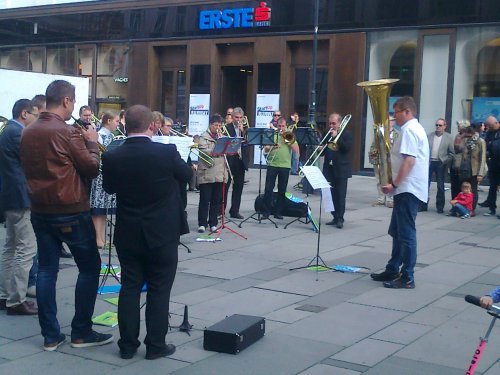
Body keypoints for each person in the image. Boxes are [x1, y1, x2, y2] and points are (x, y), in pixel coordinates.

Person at [20, 80, 113, 351]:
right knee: (90, 266)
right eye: (72, 102)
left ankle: (50, 336)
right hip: (70, 209)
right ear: (66, 102)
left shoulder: (28, 131)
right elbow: (91, 168)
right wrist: (92, 143)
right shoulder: (66, 132)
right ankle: (81, 331)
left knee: (47, 270)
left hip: (39, 209)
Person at [101, 105, 192, 360]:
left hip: (129, 232)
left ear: (125, 125)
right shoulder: (166, 151)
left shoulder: (112, 156)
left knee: (129, 287)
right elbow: (186, 176)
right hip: (162, 232)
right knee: (159, 289)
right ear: (152, 125)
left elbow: (108, 189)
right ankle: (155, 345)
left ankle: (127, 346)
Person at [371, 96, 429, 289]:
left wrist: (394, 184)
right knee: (396, 231)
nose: (393, 116)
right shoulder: (411, 129)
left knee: (405, 234)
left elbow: (409, 161)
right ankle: (393, 267)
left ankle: (407, 276)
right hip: (405, 189)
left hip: (407, 189)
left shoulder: (410, 130)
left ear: (407, 112)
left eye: (396, 112)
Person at [0, 99, 39, 315]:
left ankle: (5, 295)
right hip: (19, 197)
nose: (35, 118)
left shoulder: (9, 130)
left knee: (11, 247)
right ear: (24, 114)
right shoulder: (17, 132)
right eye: (34, 114)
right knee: (27, 248)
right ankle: (16, 300)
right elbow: (30, 161)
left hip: (11, 196)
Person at [90, 112, 119, 249]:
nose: (118, 124)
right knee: (98, 210)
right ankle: (97, 238)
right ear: (108, 120)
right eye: (116, 121)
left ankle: (101, 238)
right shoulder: (100, 135)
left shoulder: (112, 136)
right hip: (100, 176)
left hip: (108, 174)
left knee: (103, 211)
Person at [262, 116, 300, 220]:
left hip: (285, 165)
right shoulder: (273, 134)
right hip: (272, 164)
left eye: (283, 126)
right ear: (276, 125)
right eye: (279, 126)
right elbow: (265, 149)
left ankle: (278, 212)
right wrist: (269, 147)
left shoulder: (289, 135)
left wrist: (286, 138)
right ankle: (266, 211)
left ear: (286, 126)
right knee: (268, 188)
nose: (281, 128)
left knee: (282, 190)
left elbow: (296, 149)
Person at [196, 114, 227, 233]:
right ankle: (202, 223)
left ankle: (213, 223)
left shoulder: (222, 137)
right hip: (207, 172)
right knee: (205, 199)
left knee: (216, 200)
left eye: (220, 125)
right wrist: (217, 148)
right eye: (216, 125)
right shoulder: (203, 137)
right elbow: (203, 151)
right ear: (210, 125)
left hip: (219, 172)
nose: (218, 128)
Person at [323, 112, 353, 229]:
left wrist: (336, 137)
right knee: (330, 195)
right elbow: (326, 150)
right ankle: (334, 216)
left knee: (340, 195)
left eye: (334, 123)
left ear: (339, 123)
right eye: (330, 123)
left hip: (341, 169)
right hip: (329, 168)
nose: (331, 125)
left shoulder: (346, 134)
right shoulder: (328, 133)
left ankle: (340, 218)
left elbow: (347, 148)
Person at [452, 125, 487, 216]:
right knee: (463, 188)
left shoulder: (480, 141)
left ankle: (472, 209)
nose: (467, 137)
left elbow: (482, 158)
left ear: (473, 133)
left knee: (473, 190)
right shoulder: (465, 140)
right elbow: (458, 150)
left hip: (474, 169)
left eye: (468, 135)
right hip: (464, 168)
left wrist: (480, 173)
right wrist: (460, 138)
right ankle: (462, 208)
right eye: (466, 135)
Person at [425, 118, 454, 213]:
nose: (438, 127)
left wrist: (445, 161)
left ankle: (440, 206)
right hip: (429, 162)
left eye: (440, 125)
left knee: (441, 186)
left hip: (441, 163)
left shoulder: (449, 137)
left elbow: (452, 153)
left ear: (445, 126)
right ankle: (423, 205)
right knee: (425, 185)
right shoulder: (429, 136)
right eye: (436, 125)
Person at [224, 106, 247, 219]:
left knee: (239, 186)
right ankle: (221, 211)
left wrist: (243, 132)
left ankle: (235, 211)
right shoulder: (227, 128)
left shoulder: (244, 129)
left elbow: (248, 142)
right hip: (230, 159)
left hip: (240, 160)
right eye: (236, 117)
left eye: (240, 117)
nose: (238, 120)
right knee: (225, 186)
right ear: (232, 117)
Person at [369, 115, 397, 208]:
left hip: (391, 160)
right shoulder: (380, 133)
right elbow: (374, 145)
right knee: (379, 180)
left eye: (391, 121)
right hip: (380, 159)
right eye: (387, 121)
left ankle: (390, 199)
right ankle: (381, 199)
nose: (388, 123)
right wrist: (373, 154)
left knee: (390, 180)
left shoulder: (397, 134)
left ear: (393, 122)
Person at [478, 116, 500, 216]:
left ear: (495, 123)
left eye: (490, 126)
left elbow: (493, 145)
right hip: (494, 161)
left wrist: (491, 144)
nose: (489, 128)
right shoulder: (490, 132)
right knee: (492, 185)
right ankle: (491, 205)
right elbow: (486, 143)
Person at [450, 120, 470, 200]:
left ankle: (463, 205)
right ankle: (454, 205)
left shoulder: (468, 137)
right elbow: (455, 148)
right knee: (454, 186)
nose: (458, 128)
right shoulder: (458, 136)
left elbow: (460, 148)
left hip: (464, 165)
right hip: (455, 164)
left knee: (462, 186)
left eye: (459, 126)